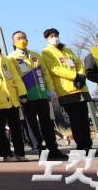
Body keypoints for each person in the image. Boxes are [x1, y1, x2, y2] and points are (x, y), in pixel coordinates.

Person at [8, 31, 67, 160]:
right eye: (18, 38)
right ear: (13, 42)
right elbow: (13, 77)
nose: (22, 39)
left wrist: (50, 89)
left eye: (24, 37)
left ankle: (53, 149)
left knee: (47, 123)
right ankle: (40, 150)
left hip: (42, 94)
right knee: (31, 124)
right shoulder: (11, 58)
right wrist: (20, 94)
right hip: (27, 96)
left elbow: (45, 73)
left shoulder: (36, 55)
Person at [41, 28, 98, 154]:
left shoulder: (67, 49)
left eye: (56, 35)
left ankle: (89, 145)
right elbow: (55, 69)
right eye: (51, 36)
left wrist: (82, 76)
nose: (55, 37)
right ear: (47, 38)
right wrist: (75, 76)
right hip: (66, 90)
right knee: (75, 119)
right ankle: (81, 146)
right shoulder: (46, 53)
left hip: (80, 88)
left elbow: (79, 63)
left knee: (84, 118)